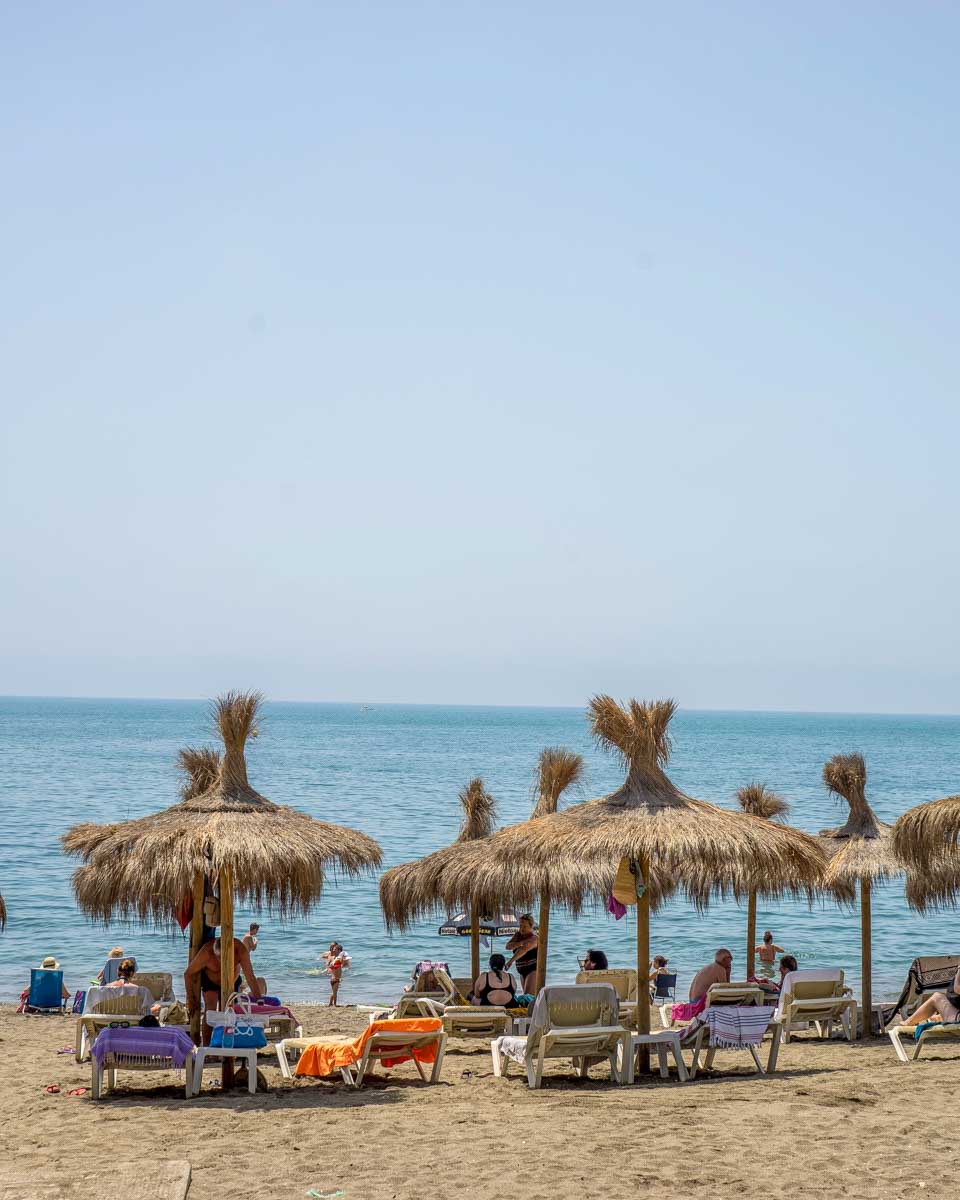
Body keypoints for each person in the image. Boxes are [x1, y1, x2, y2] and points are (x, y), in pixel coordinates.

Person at [184, 936, 261, 1043]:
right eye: (218, 957)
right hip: (210, 980)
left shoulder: (240, 949)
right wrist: (191, 999)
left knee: (227, 1012)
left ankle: (225, 1044)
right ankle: (207, 1046)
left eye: (224, 958)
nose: (221, 961)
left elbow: (250, 977)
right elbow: (188, 974)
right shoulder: (206, 951)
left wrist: (259, 1000)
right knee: (210, 1010)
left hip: (231, 981)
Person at [899, 963, 960, 1028]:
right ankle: (939, 1017)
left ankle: (908, 1022)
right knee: (944, 999)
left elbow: (957, 989)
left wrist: (959, 971)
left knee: (937, 997)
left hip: (957, 1022)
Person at [505, 914, 539, 995]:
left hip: (532, 969)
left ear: (531, 926)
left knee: (527, 996)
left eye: (524, 926)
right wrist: (520, 943)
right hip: (521, 969)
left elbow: (523, 950)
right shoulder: (518, 935)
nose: (521, 928)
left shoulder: (534, 938)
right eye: (520, 926)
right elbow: (508, 946)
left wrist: (510, 961)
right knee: (527, 996)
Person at [319, 942, 349, 1006]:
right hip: (336, 978)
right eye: (334, 949)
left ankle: (330, 1003)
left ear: (338, 950)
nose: (333, 950)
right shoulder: (337, 958)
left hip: (333, 978)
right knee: (334, 992)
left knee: (333, 992)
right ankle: (334, 1004)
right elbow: (345, 964)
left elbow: (345, 964)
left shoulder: (336, 958)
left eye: (335, 949)